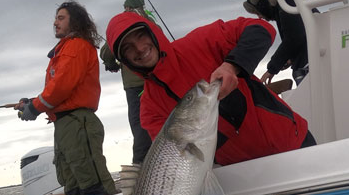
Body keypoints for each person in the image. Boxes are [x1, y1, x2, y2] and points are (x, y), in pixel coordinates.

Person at [105, 12, 314, 168]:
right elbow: (178, 163)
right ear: (124, 60)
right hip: (242, 174)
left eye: (141, 36)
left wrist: (232, 65)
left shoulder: (200, 43)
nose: (139, 48)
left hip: (293, 143)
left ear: (153, 33)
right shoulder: (150, 109)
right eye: (128, 48)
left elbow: (260, 28)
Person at [17, 0, 117, 195]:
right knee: (72, 182)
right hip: (65, 124)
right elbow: (57, 89)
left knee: (91, 181)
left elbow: (61, 86)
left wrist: (35, 108)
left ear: (75, 21)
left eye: (61, 18)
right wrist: (32, 102)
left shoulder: (75, 47)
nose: (55, 22)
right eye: (55, 18)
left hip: (77, 123)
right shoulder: (64, 50)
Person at [100, 0, 153, 165]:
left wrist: (112, 64)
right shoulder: (152, 25)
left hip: (135, 87)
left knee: (140, 129)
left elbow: (107, 52)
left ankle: (139, 169)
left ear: (127, 8)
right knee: (159, 124)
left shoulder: (122, 25)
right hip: (156, 81)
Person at [243, 0, 316, 85]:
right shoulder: (294, 1)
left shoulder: (285, 3)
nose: (260, 16)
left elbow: (294, 38)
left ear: (263, 6)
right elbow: (303, 34)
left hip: (309, 65)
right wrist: (288, 58)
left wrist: (272, 68)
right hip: (316, 58)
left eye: (258, 12)